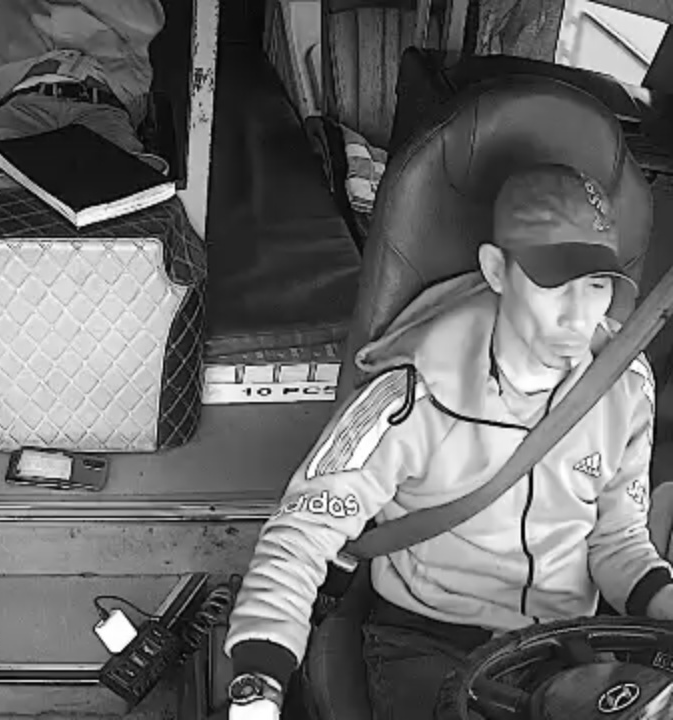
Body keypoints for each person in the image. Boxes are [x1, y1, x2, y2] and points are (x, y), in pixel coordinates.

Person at [220, 164, 673, 719]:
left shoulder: (624, 384)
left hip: (564, 647)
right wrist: (260, 682)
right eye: (554, 284)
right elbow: (304, 532)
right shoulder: (411, 393)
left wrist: (663, 601)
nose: (579, 317)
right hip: (429, 642)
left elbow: (618, 541)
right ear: (497, 270)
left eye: (597, 286)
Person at [0, 0, 165, 154]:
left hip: (99, 105)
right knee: (4, 173)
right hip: (23, 104)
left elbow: (147, 22)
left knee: (115, 178)